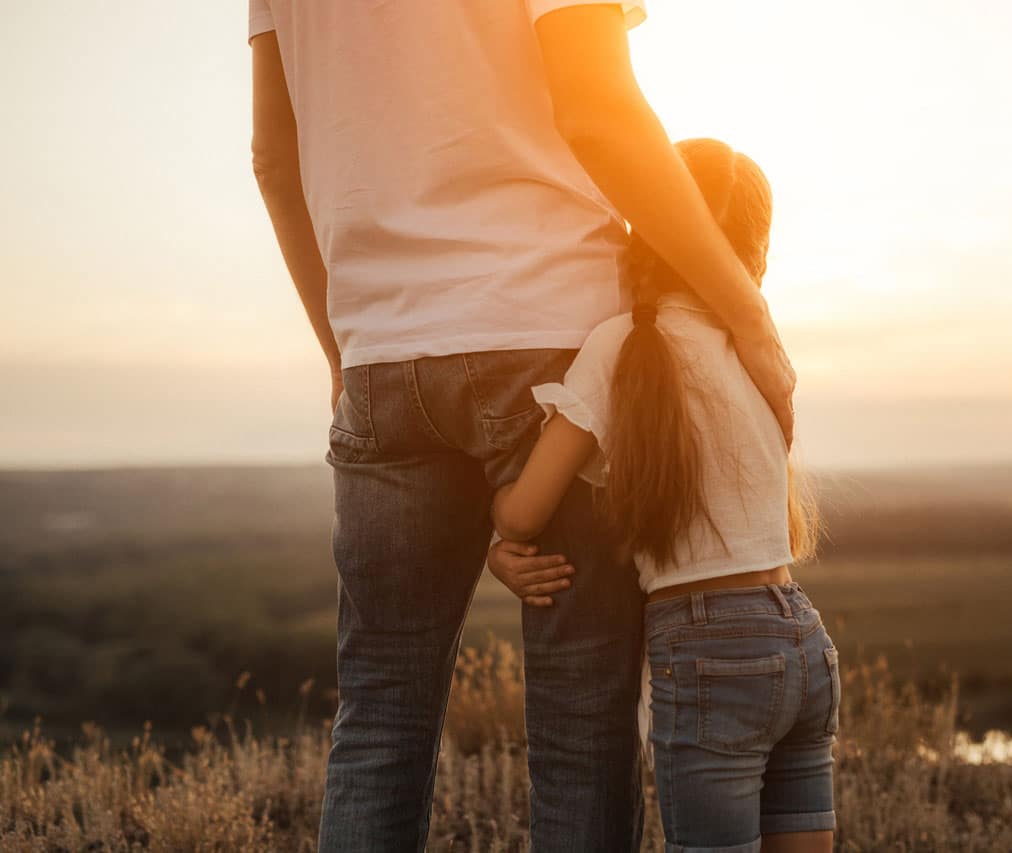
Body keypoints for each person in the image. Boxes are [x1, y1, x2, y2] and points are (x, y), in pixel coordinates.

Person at [247, 1, 796, 850]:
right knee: (580, 718)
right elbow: (600, 112)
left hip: (381, 353)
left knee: (381, 711)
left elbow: (274, 162)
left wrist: (341, 350)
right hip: (548, 338)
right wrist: (747, 314)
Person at [489, 138, 837, 853]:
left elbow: (525, 509)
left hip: (708, 645)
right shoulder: (757, 355)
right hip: (801, 633)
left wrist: (498, 538)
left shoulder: (618, 347)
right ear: (756, 252)